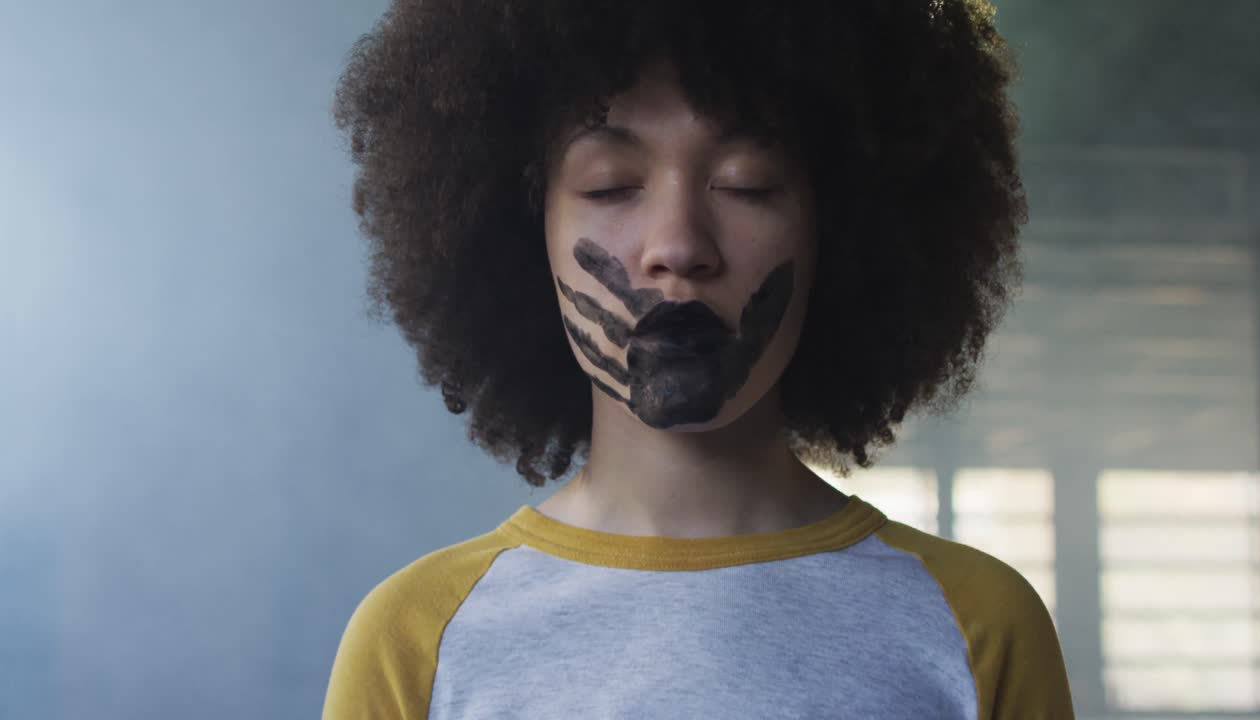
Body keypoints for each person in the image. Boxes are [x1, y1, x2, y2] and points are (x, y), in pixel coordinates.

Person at [323, 1, 1074, 718]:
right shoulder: (416, 639)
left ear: (837, 233)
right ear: (524, 235)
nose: (679, 245)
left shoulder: (977, 628)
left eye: (747, 183)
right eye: (610, 185)